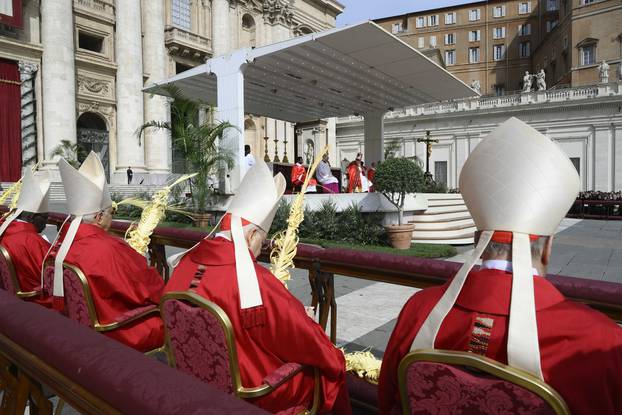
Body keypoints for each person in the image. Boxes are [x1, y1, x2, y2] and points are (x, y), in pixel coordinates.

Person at [379, 117, 622, 415]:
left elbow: (390, 399)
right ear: (547, 248)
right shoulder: (599, 340)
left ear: (476, 239)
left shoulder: (418, 311)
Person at [165, 160, 350, 414]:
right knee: (327, 370)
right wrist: (307, 321)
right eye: (261, 243)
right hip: (249, 395)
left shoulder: (183, 264)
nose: (260, 250)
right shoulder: (254, 282)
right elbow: (306, 342)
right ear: (251, 236)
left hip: (193, 383)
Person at [49, 152, 164, 353]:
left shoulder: (60, 243)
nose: (112, 218)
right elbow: (148, 289)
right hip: (115, 332)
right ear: (100, 217)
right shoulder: (108, 247)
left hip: (76, 328)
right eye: (112, 212)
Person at [0, 169, 52, 307]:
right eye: (45, 218)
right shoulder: (32, 241)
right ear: (32, 217)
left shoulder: (6, 230)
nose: (46, 223)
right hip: (34, 302)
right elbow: (50, 278)